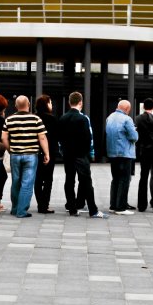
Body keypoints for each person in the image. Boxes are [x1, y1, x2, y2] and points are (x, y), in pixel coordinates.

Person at [57, 91, 105, 219]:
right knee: (86, 181)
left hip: (68, 154)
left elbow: (60, 139)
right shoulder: (84, 118)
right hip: (81, 154)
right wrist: (91, 153)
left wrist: (63, 151)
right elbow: (89, 138)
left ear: (69, 102)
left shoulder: (62, 118)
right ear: (80, 103)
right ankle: (93, 210)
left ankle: (72, 209)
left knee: (69, 180)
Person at [2, 95, 49, 219]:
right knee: (27, 184)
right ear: (28, 104)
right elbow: (42, 137)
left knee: (16, 182)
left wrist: (10, 149)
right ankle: (21, 211)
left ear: (16, 106)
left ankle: (15, 208)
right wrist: (47, 153)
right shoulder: (36, 119)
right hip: (31, 156)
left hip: (15, 155)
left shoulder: (9, 119)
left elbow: (4, 138)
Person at [105, 99, 137, 215]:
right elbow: (134, 137)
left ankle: (113, 205)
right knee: (124, 180)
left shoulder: (110, 117)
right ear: (127, 109)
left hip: (112, 153)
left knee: (115, 179)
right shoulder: (127, 119)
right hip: (124, 153)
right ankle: (120, 207)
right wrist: (135, 131)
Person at [33, 95, 59, 214]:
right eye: (50, 102)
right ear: (46, 104)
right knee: (48, 179)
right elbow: (55, 136)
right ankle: (45, 205)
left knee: (37, 179)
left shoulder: (34, 118)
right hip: (50, 152)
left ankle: (40, 204)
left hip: (36, 152)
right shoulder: (52, 119)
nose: (51, 105)